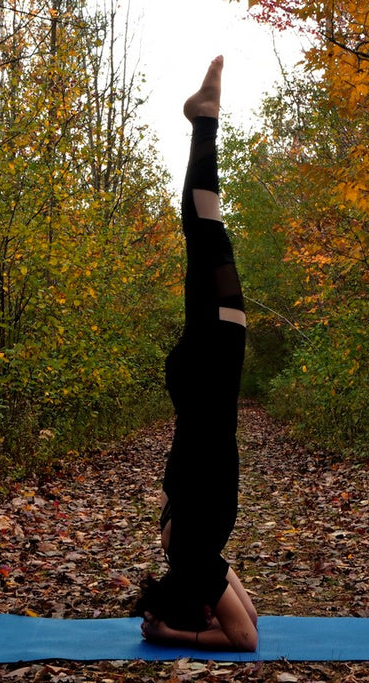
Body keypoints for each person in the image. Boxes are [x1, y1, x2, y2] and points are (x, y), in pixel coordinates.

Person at [135, 56, 258, 652]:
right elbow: (247, 625)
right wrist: (173, 620)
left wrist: (175, 630)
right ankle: (202, 121)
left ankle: (203, 122)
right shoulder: (186, 549)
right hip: (204, 374)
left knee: (206, 230)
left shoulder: (195, 558)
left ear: (199, 601)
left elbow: (245, 633)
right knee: (207, 233)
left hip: (212, 371)